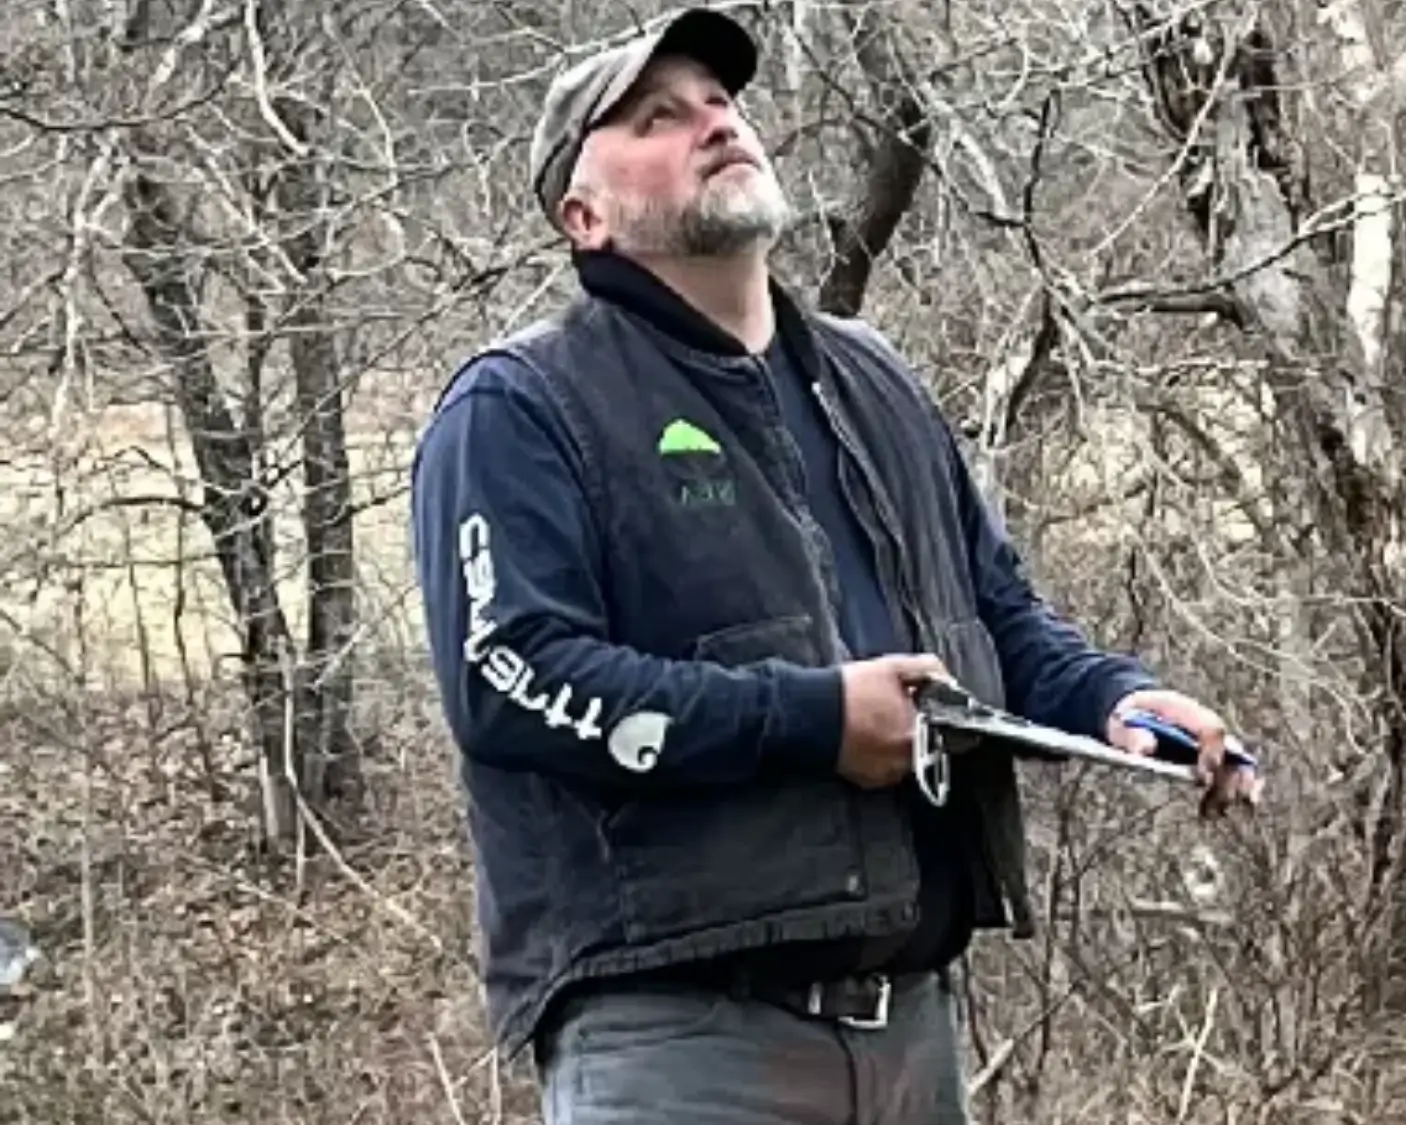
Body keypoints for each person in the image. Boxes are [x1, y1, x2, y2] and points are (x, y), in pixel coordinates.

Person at [408, 7, 1259, 1123]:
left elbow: (990, 613)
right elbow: (507, 681)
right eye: (656, 119)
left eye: (718, 102)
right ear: (584, 215)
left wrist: (1108, 697)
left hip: (911, 1033)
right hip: (675, 1041)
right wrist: (813, 720)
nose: (712, 124)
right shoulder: (522, 407)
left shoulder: (872, 380)